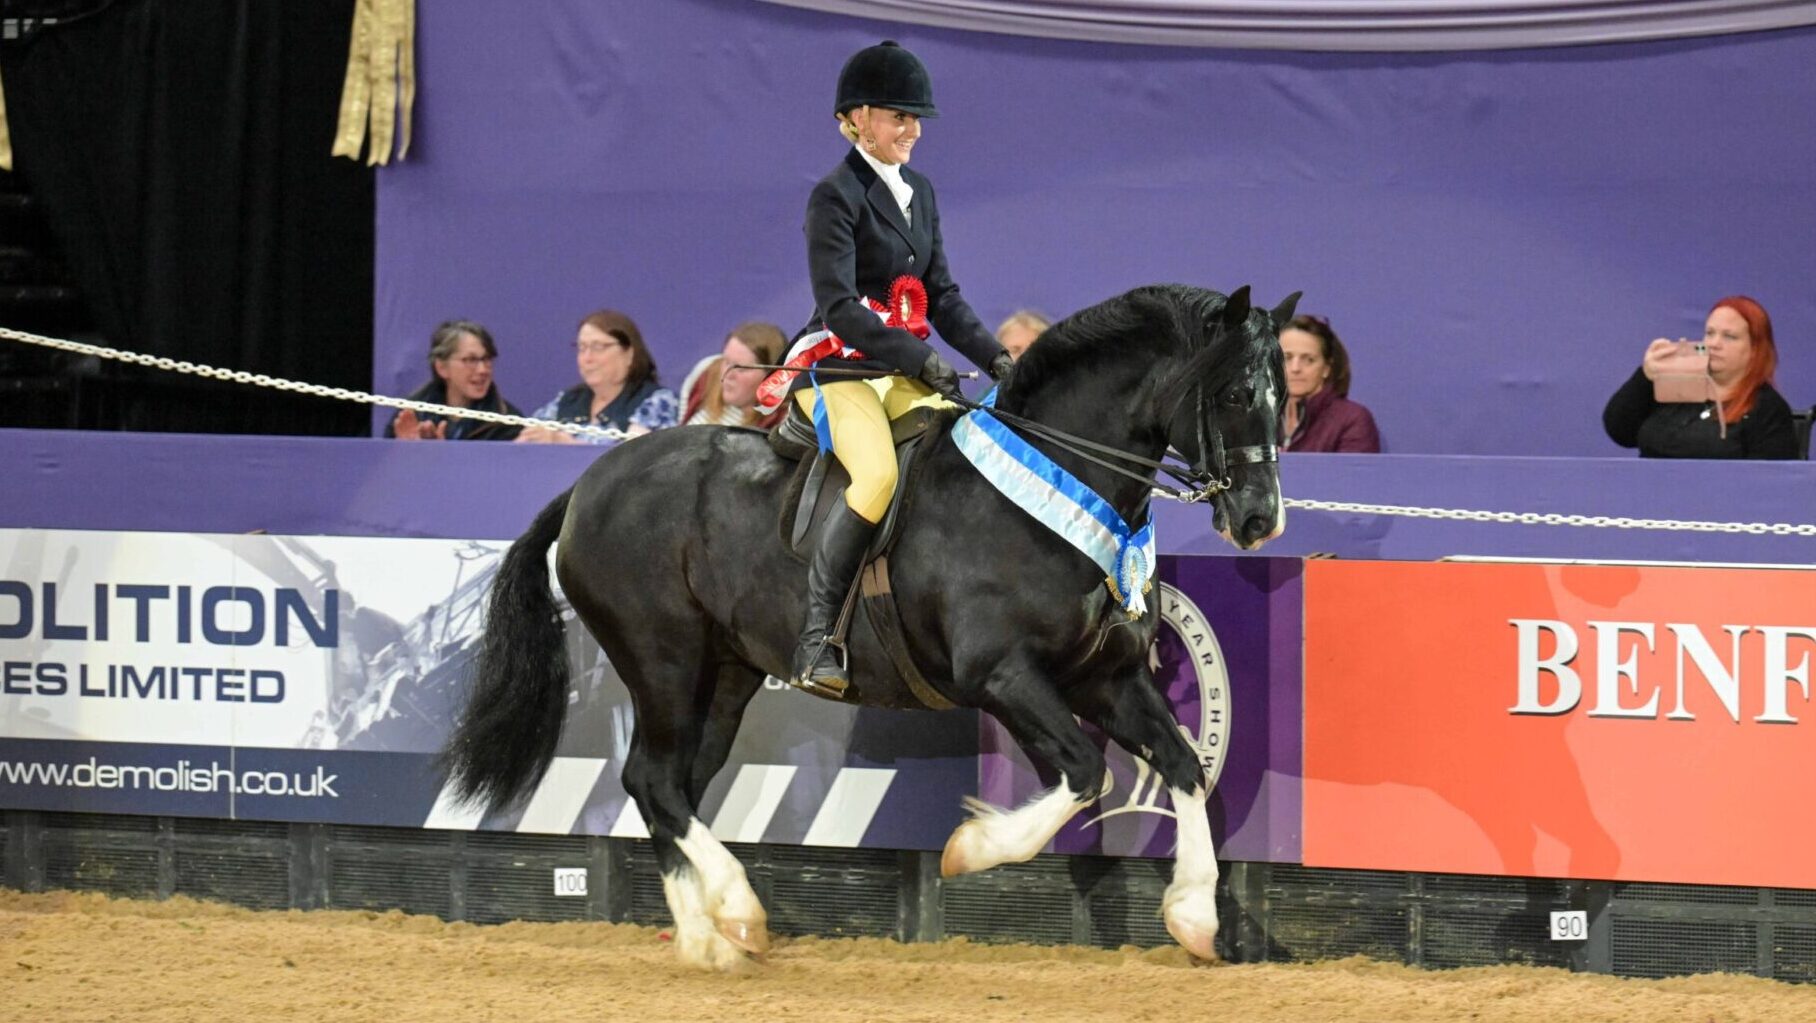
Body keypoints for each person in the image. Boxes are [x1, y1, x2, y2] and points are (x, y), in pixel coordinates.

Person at [773, 40, 1012, 696]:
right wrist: (923, 358)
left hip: (900, 373)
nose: (913, 130)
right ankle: (819, 635)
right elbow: (840, 306)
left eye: (916, 119)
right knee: (876, 475)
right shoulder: (834, 196)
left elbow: (943, 295)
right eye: (899, 117)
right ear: (856, 119)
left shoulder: (921, 192)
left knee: (965, 453)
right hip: (840, 371)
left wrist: (996, 357)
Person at [1602, 295, 1798, 459]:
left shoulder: (1767, 409)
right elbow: (1620, 432)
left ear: (1755, 349)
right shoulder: (1676, 385)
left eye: (1729, 336)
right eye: (1710, 333)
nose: (1714, 344)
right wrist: (1645, 377)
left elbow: (1769, 484)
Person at [516, 310, 678, 444]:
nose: (587, 358)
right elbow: (523, 445)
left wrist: (566, 445)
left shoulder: (656, 401)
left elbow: (633, 464)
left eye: (598, 347)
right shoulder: (568, 400)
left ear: (629, 354)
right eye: (582, 348)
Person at [384, 320, 523, 441]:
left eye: (486, 359)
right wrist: (404, 452)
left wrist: (443, 456)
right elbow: (383, 468)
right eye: (470, 360)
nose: (482, 370)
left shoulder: (507, 422)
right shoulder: (411, 414)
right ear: (442, 367)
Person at [1278, 314, 1381, 453]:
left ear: (1326, 368)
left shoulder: (1352, 420)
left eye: (1308, 359)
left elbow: (1350, 475)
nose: (1295, 368)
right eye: (1286, 358)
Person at [682, 322, 789, 428]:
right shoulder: (706, 372)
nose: (727, 374)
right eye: (726, 361)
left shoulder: (783, 422)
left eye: (741, 368)